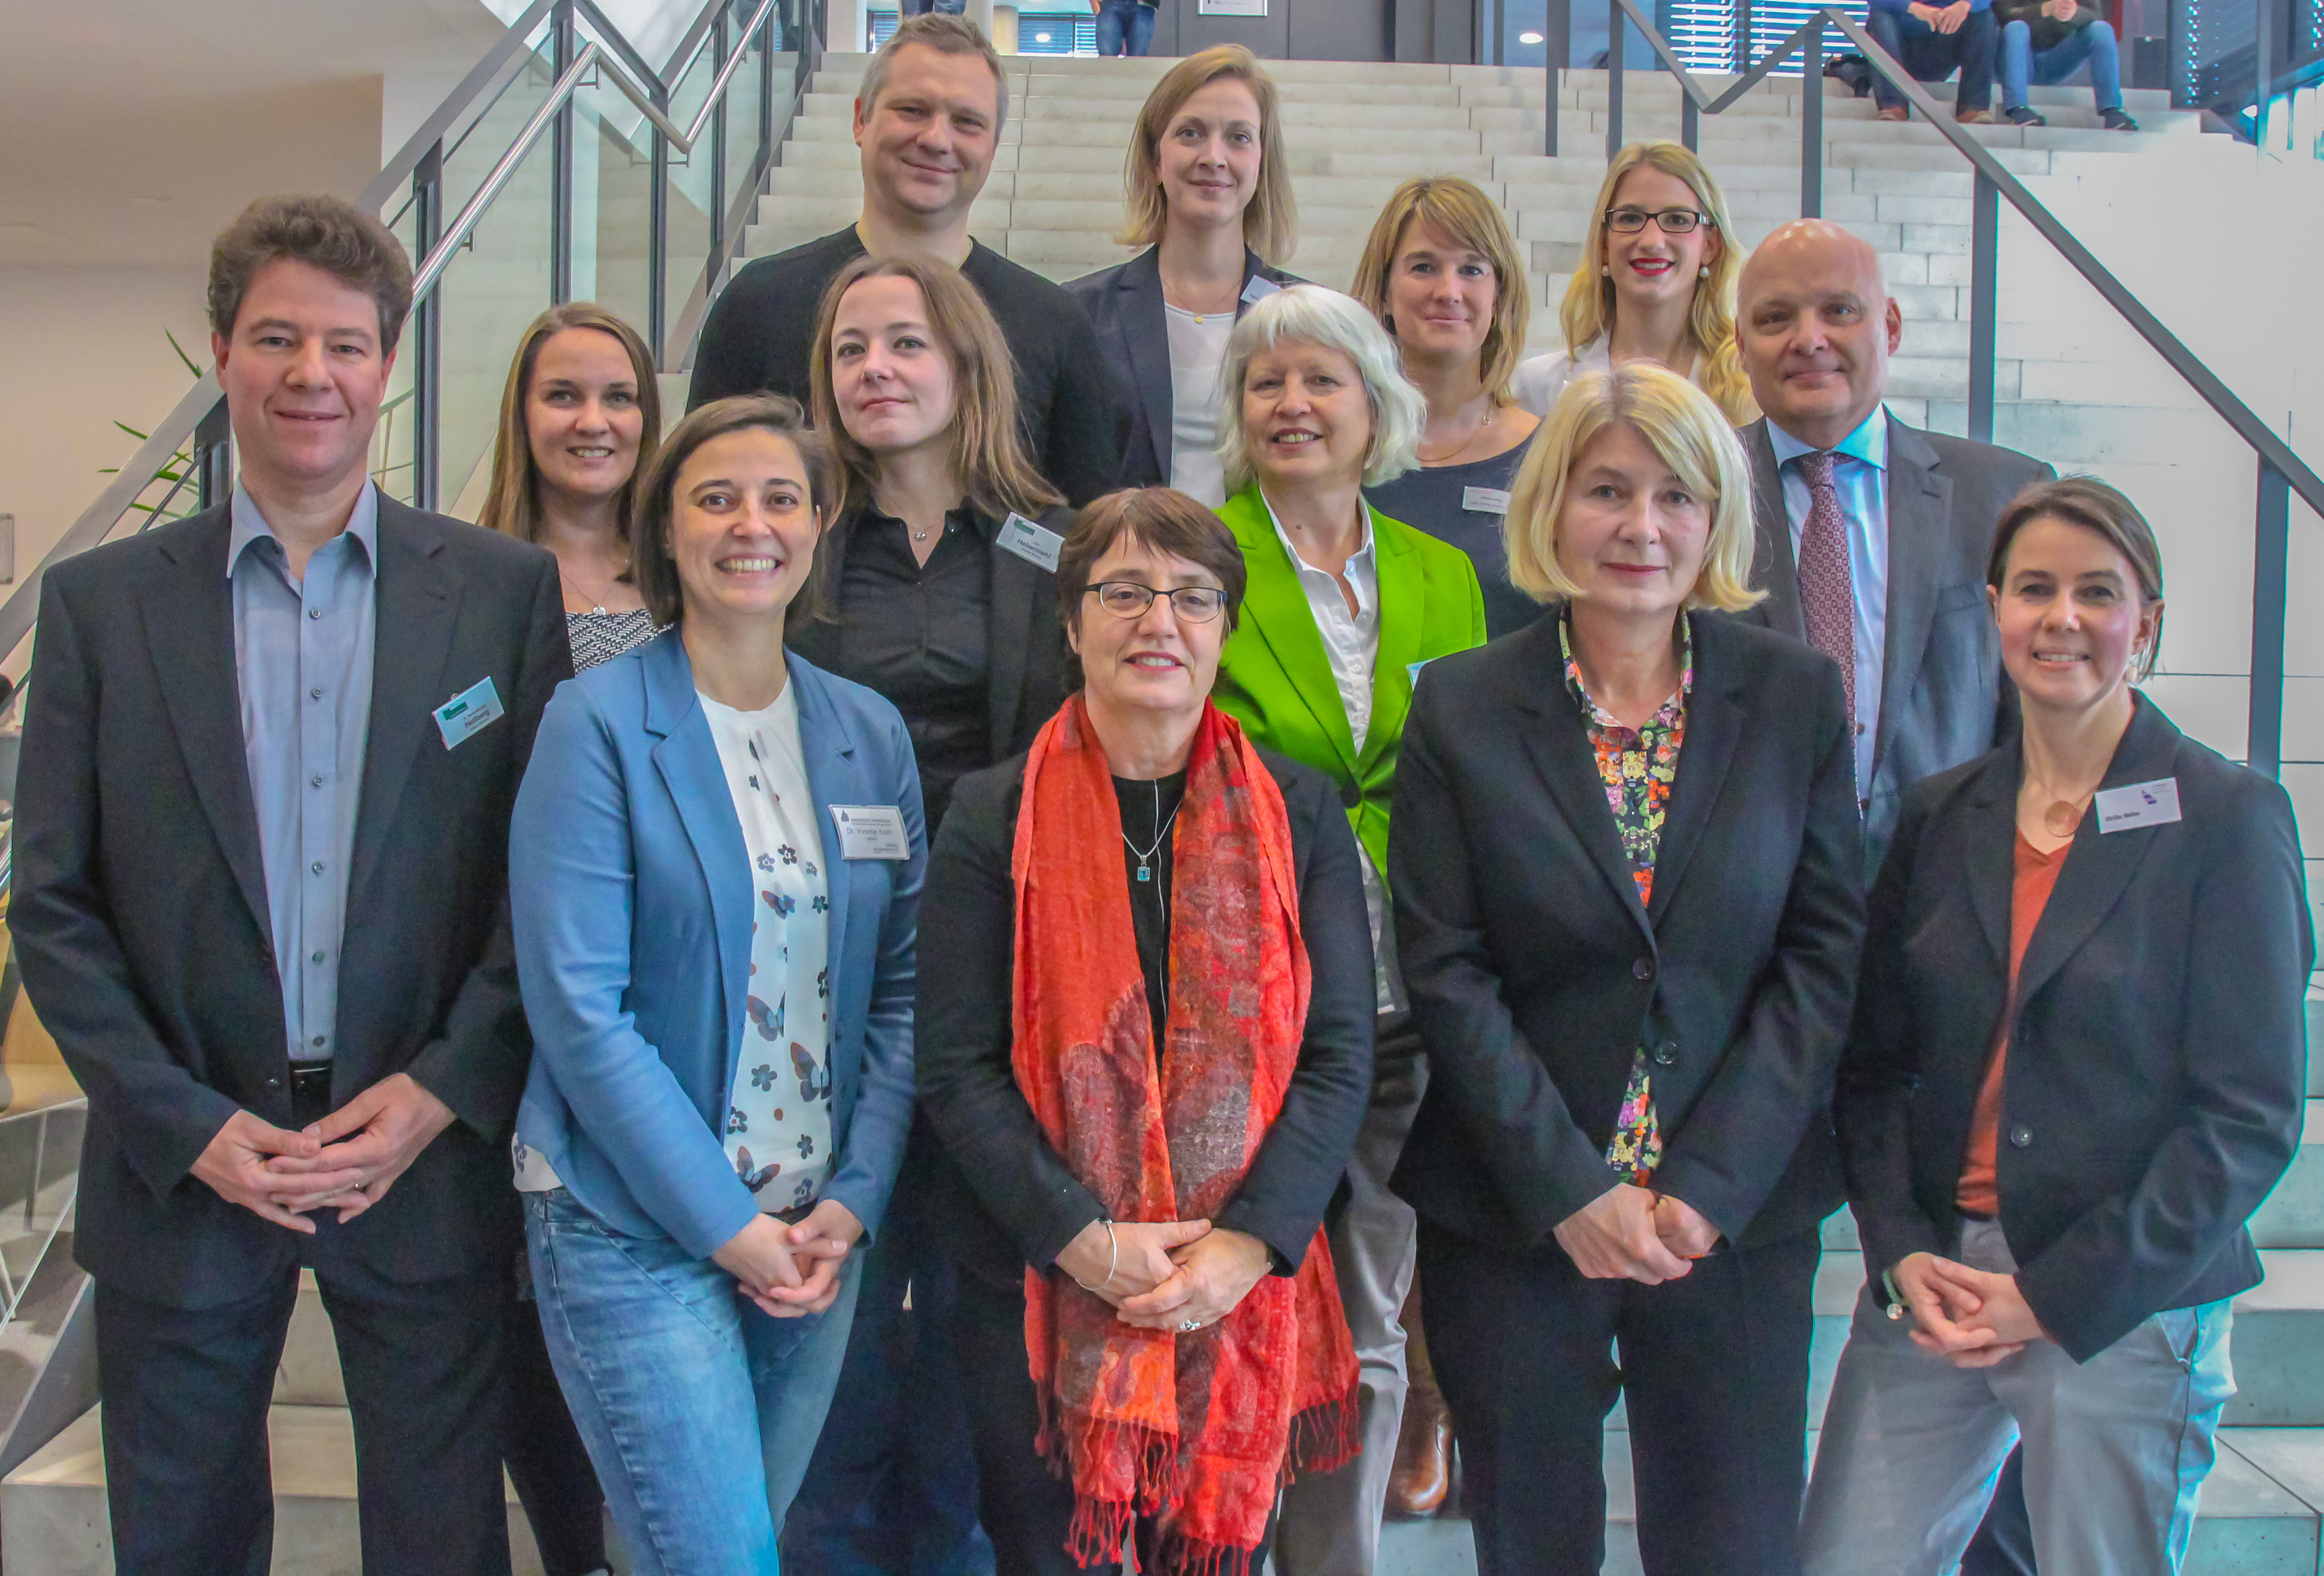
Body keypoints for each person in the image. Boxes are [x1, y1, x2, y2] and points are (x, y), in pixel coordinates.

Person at [10, 194, 571, 1576]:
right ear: (221, 353)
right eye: (275, 338)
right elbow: (55, 905)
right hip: (189, 1164)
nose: (311, 373)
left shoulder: (501, 594)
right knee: (182, 1541)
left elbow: (540, 886)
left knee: (441, 1542)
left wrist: (439, 1090)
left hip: (417, 1161)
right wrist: (184, 1121)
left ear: (388, 365)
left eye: (344, 344)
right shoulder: (100, 606)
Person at [1388, 363, 1865, 1576]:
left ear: (1716, 519)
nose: (1640, 526)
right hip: (1517, 1210)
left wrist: (1707, 1184)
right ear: (1551, 506)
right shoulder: (1460, 703)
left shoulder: (1795, 695)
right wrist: (1569, 1188)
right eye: (1605, 490)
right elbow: (1446, 966)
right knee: (1530, 1546)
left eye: (1675, 495)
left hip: (1731, 1217)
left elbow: (1819, 956)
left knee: (1732, 1547)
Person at [1800, 478, 2312, 1572]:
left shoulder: (2226, 817)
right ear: (1994, 610)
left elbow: (2249, 1114)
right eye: (2034, 589)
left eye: (2097, 592)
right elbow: (1873, 1067)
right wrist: (1898, 1250)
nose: (2062, 618)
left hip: (2121, 1294)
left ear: (2147, 622)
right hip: (1936, 1283)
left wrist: (2052, 1293)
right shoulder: (1942, 814)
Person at [917, 486, 1377, 1575]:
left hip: (1238, 1281)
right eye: (1122, 591)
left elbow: (1337, 1055)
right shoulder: (992, 812)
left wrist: (1245, 1247)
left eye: (1191, 596)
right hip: (1039, 1279)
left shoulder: (1300, 811)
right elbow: (956, 1065)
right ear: (1070, 620)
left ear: (1225, 626)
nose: (1157, 620)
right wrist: (1082, 1239)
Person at [508, 394, 924, 1573]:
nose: (753, 525)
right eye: (717, 499)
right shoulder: (595, 721)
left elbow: (900, 992)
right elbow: (581, 1013)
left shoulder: (868, 732)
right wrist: (727, 1226)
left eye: (782, 498)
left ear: (819, 523)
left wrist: (856, 1196)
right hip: (630, 1221)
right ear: (667, 526)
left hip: (814, 1230)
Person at [780, 251, 1076, 1574]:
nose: (876, 370)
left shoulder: (1051, 542)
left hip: (1002, 969)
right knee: (836, 1286)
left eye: (905, 343)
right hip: (820, 968)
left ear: (964, 364)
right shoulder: (792, 536)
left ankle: (955, 1542)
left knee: (975, 1295)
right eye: (850, 349)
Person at [1208, 284, 1486, 1576]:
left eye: (1322, 380)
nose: (1293, 404)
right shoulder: (1202, 558)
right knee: (1243, 1302)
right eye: (1265, 383)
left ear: (1377, 408)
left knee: (1370, 1316)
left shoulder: (1443, 574)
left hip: (1407, 995)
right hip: (1245, 1002)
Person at [688, 13, 1127, 509]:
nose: (937, 139)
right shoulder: (757, 303)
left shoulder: (1055, 322)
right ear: (860, 119)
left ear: (993, 144)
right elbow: (700, 495)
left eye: (967, 122)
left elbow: (1089, 527)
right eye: (913, 110)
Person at [1735, 218, 2052, 869]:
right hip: (1757, 895)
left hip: (1949, 885)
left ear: (1892, 326)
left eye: (1839, 311)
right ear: (1740, 345)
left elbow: (2038, 718)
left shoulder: (2003, 495)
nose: (1808, 339)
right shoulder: (1691, 496)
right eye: (1774, 319)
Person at [1066, 45, 1301, 504]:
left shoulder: (1310, 318)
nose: (1214, 156)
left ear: (1261, 164)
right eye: (1190, 133)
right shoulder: (1082, 315)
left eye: (1238, 137)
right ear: (1156, 160)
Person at [1353, 175, 1546, 643]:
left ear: (1499, 296)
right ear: (1383, 292)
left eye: (1472, 270)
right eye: (1423, 267)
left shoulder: (1550, 456)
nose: (1448, 291)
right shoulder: (1342, 448)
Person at [1512, 142, 1756, 429]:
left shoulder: (1752, 387)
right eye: (1630, 218)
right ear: (1604, 243)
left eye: (1677, 220)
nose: (1652, 241)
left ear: (1710, 245)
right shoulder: (1539, 388)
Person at [483, 302, 665, 677]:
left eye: (619, 398)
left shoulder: (686, 574)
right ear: (522, 415)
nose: (593, 423)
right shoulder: (470, 581)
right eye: (563, 396)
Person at [1994, 0, 2138, 128]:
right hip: (2015, 56)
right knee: (2016, 28)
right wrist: (2044, 10)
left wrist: (2075, 13)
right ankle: (2018, 108)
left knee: (2102, 29)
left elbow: (2094, 14)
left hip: (2058, 57)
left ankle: (2111, 109)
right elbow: (2002, 14)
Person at [1865, 0, 2001, 124]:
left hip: (1945, 40)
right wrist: (1914, 8)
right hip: (1901, 44)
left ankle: (1973, 107)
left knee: (1984, 17)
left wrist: (1965, 4)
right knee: (1880, 18)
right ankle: (1893, 106)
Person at [1091, 0, 1159, 55]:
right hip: (1109, 4)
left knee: (1138, 60)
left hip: (1144, 6)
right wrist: (1095, 4)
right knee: (1108, 59)